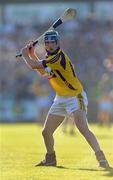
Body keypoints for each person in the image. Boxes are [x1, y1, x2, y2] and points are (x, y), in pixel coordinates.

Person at [21, 30, 110, 168]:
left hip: (75, 96)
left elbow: (33, 65)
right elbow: (42, 71)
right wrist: (32, 54)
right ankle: (50, 159)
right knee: (46, 132)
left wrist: (25, 55)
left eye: (52, 42)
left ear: (58, 43)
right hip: (60, 98)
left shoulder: (57, 58)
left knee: (82, 127)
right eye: (48, 43)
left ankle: (101, 158)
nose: (50, 45)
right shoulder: (49, 58)